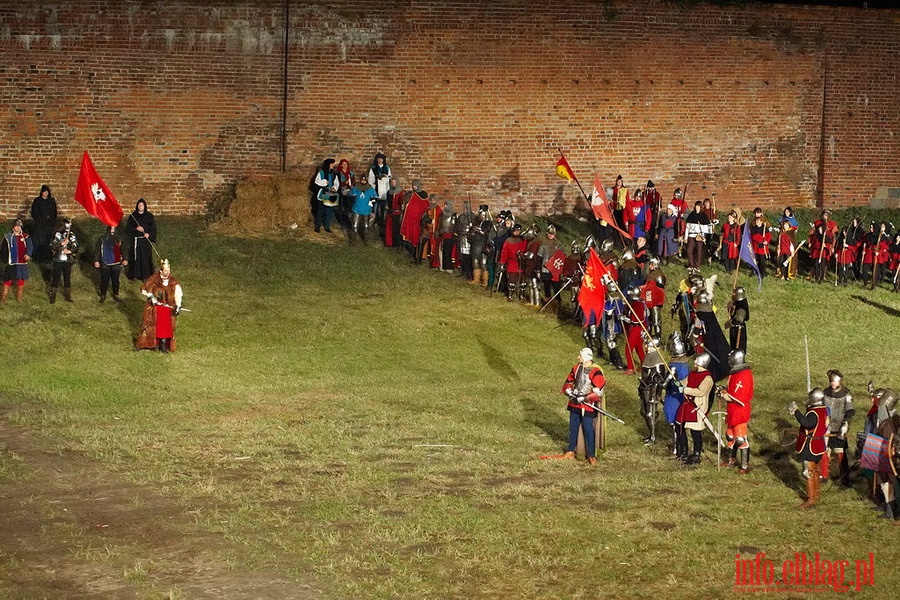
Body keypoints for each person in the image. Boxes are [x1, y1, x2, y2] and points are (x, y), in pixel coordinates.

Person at [544, 347, 607, 465]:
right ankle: (570, 450)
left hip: (587, 405)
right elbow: (568, 382)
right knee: (573, 428)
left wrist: (585, 398)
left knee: (588, 429)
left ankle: (591, 455)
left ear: (586, 357)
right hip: (574, 403)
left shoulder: (595, 371)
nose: (578, 357)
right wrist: (570, 393)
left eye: (580, 356)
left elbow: (599, 392)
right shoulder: (576, 368)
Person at [790, 388, 829, 508]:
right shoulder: (823, 410)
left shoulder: (814, 413)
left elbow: (806, 423)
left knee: (807, 471)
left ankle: (811, 499)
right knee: (815, 470)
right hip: (818, 444)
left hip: (810, 445)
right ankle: (816, 495)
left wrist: (796, 411)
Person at [135, 258, 183, 352]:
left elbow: (178, 294)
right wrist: (152, 296)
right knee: (150, 325)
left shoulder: (173, 281)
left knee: (165, 328)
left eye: (169, 270)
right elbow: (145, 289)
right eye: (165, 270)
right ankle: (149, 344)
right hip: (155, 308)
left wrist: (178, 306)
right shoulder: (154, 278)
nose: (168, 272)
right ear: (161, 270)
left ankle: (163, 345)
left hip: (167, 309)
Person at [718, 350, 754, 474]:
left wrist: (726, 396)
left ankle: (744, 466)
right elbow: (732, 389)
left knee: (740, 439)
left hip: (740, 410)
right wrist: (724, 391)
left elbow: (740, 396)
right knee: (730, 436)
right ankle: (731, 460)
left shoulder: (744, 374)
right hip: (732, 410)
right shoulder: (735, 372)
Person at [676, 352, 714, 465]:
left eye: (697, 361)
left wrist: (685, 390)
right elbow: (686, 381)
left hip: (697, 407)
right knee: (679, 427)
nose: (695, 363)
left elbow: (701, 392)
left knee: (695, 432)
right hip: (687, 405)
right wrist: (680, 384)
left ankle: (697, 454)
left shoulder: (708, 378)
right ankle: (683, 451)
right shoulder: (693, 373)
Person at [820, 370, 854, 487]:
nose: (833, 384)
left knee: (840, 453)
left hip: (840, 426)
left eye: (835, 382)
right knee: (824, 450)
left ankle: (845, 478)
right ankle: (823, 475)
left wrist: (845, 425)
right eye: (831, 382)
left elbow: (850, 411)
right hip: (827, 426)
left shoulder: (847, 394)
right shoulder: (825, 393)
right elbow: (820, 408)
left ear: (840, 381)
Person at [663, 332, 690, 455]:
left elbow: (666, 384)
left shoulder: (674, 367)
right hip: (682, 395)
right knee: (679, 424)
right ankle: (679, 447)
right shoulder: (685, 364)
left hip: (675, 396)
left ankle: (677, 448)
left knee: (676, 423)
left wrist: (662, 381)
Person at [638, 337, 668, 445]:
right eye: (648, 346)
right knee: (643, 412)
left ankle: (653, 436)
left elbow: (660, 379)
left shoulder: (658, 360)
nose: (648, 348)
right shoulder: (648, 357)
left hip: (653, 390)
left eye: (651, 346)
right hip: (644, 388)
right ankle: (651, 434)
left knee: (649, 413)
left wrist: (654, 389)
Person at [125, 198, 157, 281]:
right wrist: (136, 228)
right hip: (136, 241)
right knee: (136, 258)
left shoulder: (149, 216)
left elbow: (153, 228)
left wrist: (148, 234)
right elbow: (128, 228)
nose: (140, 207)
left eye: (142, 205)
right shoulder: (133, 216)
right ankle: (135, 275)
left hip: (145, 241)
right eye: (139, 205)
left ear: (144, 206)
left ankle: (145, 276)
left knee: (145, 258)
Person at [1, 219, 32, 303]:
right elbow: (4, 249)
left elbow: (30, 246)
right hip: (11, 262)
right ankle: (3, 298)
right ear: (13, 227)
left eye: (19, 226)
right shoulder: (8, 238)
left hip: (22, 262)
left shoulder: (26, 237)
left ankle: (19, 298)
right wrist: (5, 260)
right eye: (16, 226)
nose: (18, 228)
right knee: (8, 279)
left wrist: (28, 254)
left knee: (21, 279)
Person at [93, 225, 127, 303]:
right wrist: (96, 260)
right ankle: (103, 295)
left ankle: (116, 294)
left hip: (117, 262)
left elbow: (123, 249)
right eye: (111, 229)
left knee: (115, 280)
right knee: (104, 280)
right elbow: (97, 250)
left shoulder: (119, 239)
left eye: (114, 229)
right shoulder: (102, 239)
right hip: (105, 262)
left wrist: (125, 259)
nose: (112, 231)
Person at [49, 218, 79, 303]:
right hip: (58, 259)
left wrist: (70, 251)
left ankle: (68, 296)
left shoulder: (71, 235)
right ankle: (53, 297)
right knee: (56, 278)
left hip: (67, 260)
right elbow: (52, 246)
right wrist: (61, 244)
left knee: (67, 278)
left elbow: (76, 246)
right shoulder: (57, 235)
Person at [498, 224, 526, 301]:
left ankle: (521, 295)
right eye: (515, 231)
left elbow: (525, 251)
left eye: (518, 231)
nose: (517, 233)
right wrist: (502, 263)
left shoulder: (522, 240)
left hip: (521, 263)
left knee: (522, 282)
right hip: (512, 263)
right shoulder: (508, 241)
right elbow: (504, 253)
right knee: (511, 281)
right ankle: (510, 296)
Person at [30, 184, 57, 263]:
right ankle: (39, 258)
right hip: (40, 225)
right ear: (42, 192)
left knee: (47, 241)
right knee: (40, 241)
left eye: (47, 192)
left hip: (48, 226)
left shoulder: (51, 201)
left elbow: (54, 213)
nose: (46, 193)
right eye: (44, 192)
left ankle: (47, 257)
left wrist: (51, 221)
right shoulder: (37, 201)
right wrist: (41, 218)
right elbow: (34, 212)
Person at [312, 159, 339, 234]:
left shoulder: (333, 174)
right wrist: (325, 182)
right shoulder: (321, 172)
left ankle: (327, 226)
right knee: (320, 211)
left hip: (330, 194)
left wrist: (334, 187)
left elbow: (336, 183)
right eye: (331, 164)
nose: (333, 165)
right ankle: (317, 227)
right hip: (323, 194)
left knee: (329, 211)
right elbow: (317, 181)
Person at [367, 153, 392, 229]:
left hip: (384, 190)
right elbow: (370, 180)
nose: (380, 160)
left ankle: (382, 222)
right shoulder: (373, 169)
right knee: (375, 207)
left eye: (381, 159)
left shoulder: (387, 168)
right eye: (378, 159)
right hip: (376, 190)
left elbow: (390, 177)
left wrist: (385, 178)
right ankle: (375, 221)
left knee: (383, 207)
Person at [348, 178, 377, 244]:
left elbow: (374, 198)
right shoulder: (356, 188)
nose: (363, 181)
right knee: (355, 225)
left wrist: (372, 207)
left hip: (366, 209)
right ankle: (354, 240)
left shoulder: (370, 189)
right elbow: (351, 196)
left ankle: (366, 240)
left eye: (364, 180)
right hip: (357, 208)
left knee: (366, 225)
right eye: (362, 179)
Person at [684, 201, 710, 269]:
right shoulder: (691, 215)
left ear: (700, 207)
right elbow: (687, 227)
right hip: (691, 235)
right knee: (689, 250)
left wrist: (704, 237)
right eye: (696, 206)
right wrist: (686, 237)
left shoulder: (703, 216)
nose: (697, 207)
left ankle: (697, 265)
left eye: (698, 206)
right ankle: (691, 264)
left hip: (699, 236)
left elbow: (705, 228)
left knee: (699, 251)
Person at [748, 209, 771, 279]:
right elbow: (754, 236)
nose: (757, 222)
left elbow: (769, 236)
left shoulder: (764, 228)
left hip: (762, 248)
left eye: (759, 221)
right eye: (756, 221)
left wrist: (766, 241)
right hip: (755, 247)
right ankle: (754, 271)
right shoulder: (753, 228)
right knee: (754, 260)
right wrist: (762, 239)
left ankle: (762, 273)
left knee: (762, 261)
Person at [777, 207, 799, 279]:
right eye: (784, 225)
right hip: (782, 251)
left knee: (788, 263)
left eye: (786, 225)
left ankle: (788, 275)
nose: (785, 226)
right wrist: (778, 249)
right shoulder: (781, 233)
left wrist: (792, 251)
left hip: (788, 251)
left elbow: (792, 244)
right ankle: (782, 275)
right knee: (782, 262)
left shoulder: (790, 233)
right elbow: (779, 242)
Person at [726, 286, 749, 353]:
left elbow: (739, 319)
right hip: (735, 328)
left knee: (738, 347)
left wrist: (730, 323)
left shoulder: (742, 307)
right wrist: (731, 305)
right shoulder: (738, 302)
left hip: (739, 328)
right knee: (733, 345)